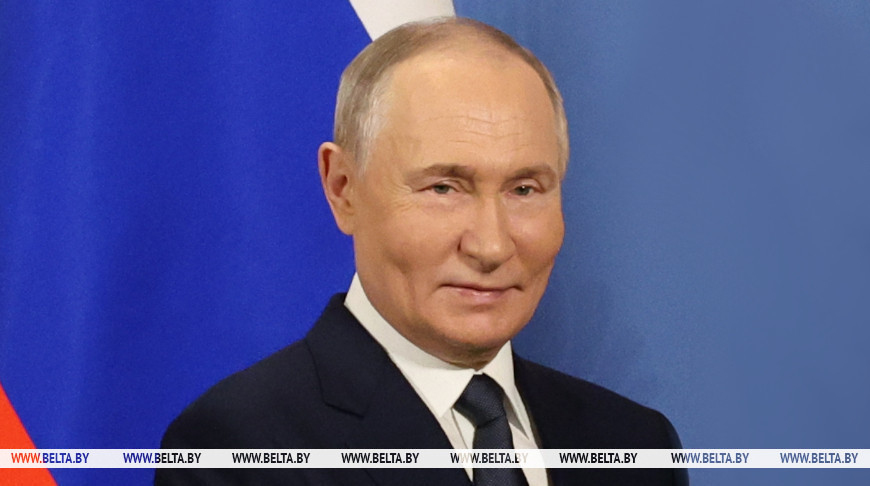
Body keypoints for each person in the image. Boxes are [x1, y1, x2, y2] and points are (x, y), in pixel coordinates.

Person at [156, 17, 687, 486]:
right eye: (444, 188)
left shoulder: (637, 445)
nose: (491, 245)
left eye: (524, 189)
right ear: (343, 189)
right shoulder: (239, 450)